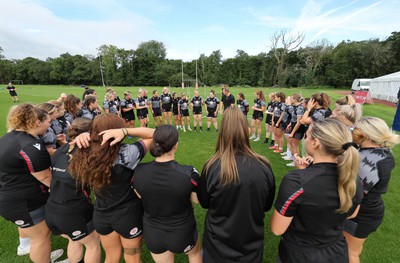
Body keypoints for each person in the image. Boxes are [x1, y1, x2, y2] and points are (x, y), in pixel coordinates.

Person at [271, 118, 364, 263]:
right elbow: (352, 214)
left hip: (299, 255)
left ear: (316, 143)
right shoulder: (353, 180)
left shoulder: (296, 182)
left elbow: (277, 229)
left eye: (306, 136)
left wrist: (303, 175)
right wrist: (306, 172)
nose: (305, 139)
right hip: (336, 252)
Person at [70, 114, 154, 263]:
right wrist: (126, 132)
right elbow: (156, 134)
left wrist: (83, 136)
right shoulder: (128, 152)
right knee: (132, 258)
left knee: (111, 257)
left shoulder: (82, 152)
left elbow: (71, 146)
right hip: (128, 215)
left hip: (102, 215)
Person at [197, 107, 275, 263]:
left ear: (222, 132)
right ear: (245, 130)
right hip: (245, 250)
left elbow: (204, 203)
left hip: (221, 249)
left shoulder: (212, 166)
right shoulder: (263, 166)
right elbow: (266, 206)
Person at [133, 125, 202, 263]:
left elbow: (140, 194)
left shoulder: (138, 171)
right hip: (182, 231)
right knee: (194, 255)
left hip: (153, 233)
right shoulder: (188, 173)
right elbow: (197, 200)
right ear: (175, 145)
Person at [0, 104, 52, 263]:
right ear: (37, 122)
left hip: (11, 196)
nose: (49, 124)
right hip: (24, 202)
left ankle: (37, 254)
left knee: (35, 235)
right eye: (48, 121)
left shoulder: (7, 137)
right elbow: (46, 178)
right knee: (40, 238)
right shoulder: (30, 145)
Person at [343, 117, 400, 263]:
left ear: (366, 135)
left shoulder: (370, 161)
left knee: (350, 253)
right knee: (354, 248)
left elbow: (354, 196)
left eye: (356, 129)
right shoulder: (380, 152)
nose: (352, 131)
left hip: (360, 214)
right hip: (369, 211)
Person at [45, 118, 101, 263]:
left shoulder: (61, 149)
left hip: (52, 208)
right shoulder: (88, 153)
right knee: (93, 244)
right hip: (74, 211)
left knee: (74, 240)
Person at [286, 94, 306, 166]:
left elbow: (299, 122)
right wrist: (290, 124)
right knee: (291, 143)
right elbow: (294, 118)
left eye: (291, 98)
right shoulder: (295, 107)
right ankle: (292, 158)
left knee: (294, 145)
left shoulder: (299, 108)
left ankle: (296, 161)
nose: (290, 100)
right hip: (294, 127)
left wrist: (292, 132)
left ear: (294, 99)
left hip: (298, 129)